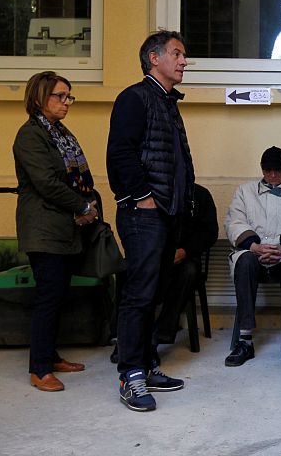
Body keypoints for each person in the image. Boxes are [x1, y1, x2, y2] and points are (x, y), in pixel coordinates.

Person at [106, 30, 195, 412]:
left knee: (154, 293)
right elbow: (120, 153)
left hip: (166, 215)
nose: (184, 61)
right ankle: (131, 375)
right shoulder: (135, 97)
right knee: (139, 295)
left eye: (184, 55)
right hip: (144, 214)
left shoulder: (168, 103)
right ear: (153, 58)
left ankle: (146, 363)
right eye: (177, 53)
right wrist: (142, 198)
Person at [13, 71, 97, 392]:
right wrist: (82, 206)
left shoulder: (58, 133)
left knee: (58, 294)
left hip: (62, 228)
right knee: (48, 297)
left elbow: (74, 177)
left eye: (68, 97)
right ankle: (40, 369)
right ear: (38, 98)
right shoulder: (30, 135)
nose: (66, 103)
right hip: (44, 228)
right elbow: (47, 184)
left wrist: (86, 204)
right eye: (59, 96)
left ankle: (51, 355)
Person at [224, 146, 281, 367]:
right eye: (267, 170)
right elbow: (234, 222)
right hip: (253, 252)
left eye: (277, 170)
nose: (272, 175)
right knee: (244, 262)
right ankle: (244, 340)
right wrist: (254, 247)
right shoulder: (245, 191)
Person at [154, 183, 218, 347]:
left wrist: (185, 251)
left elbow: (210, 233)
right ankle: (123, 337)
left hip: (187, 257)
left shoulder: (201, 195)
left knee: (188, 271)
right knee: (128, 270)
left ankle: (161, 333)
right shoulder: (155, 192)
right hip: (155, 255)